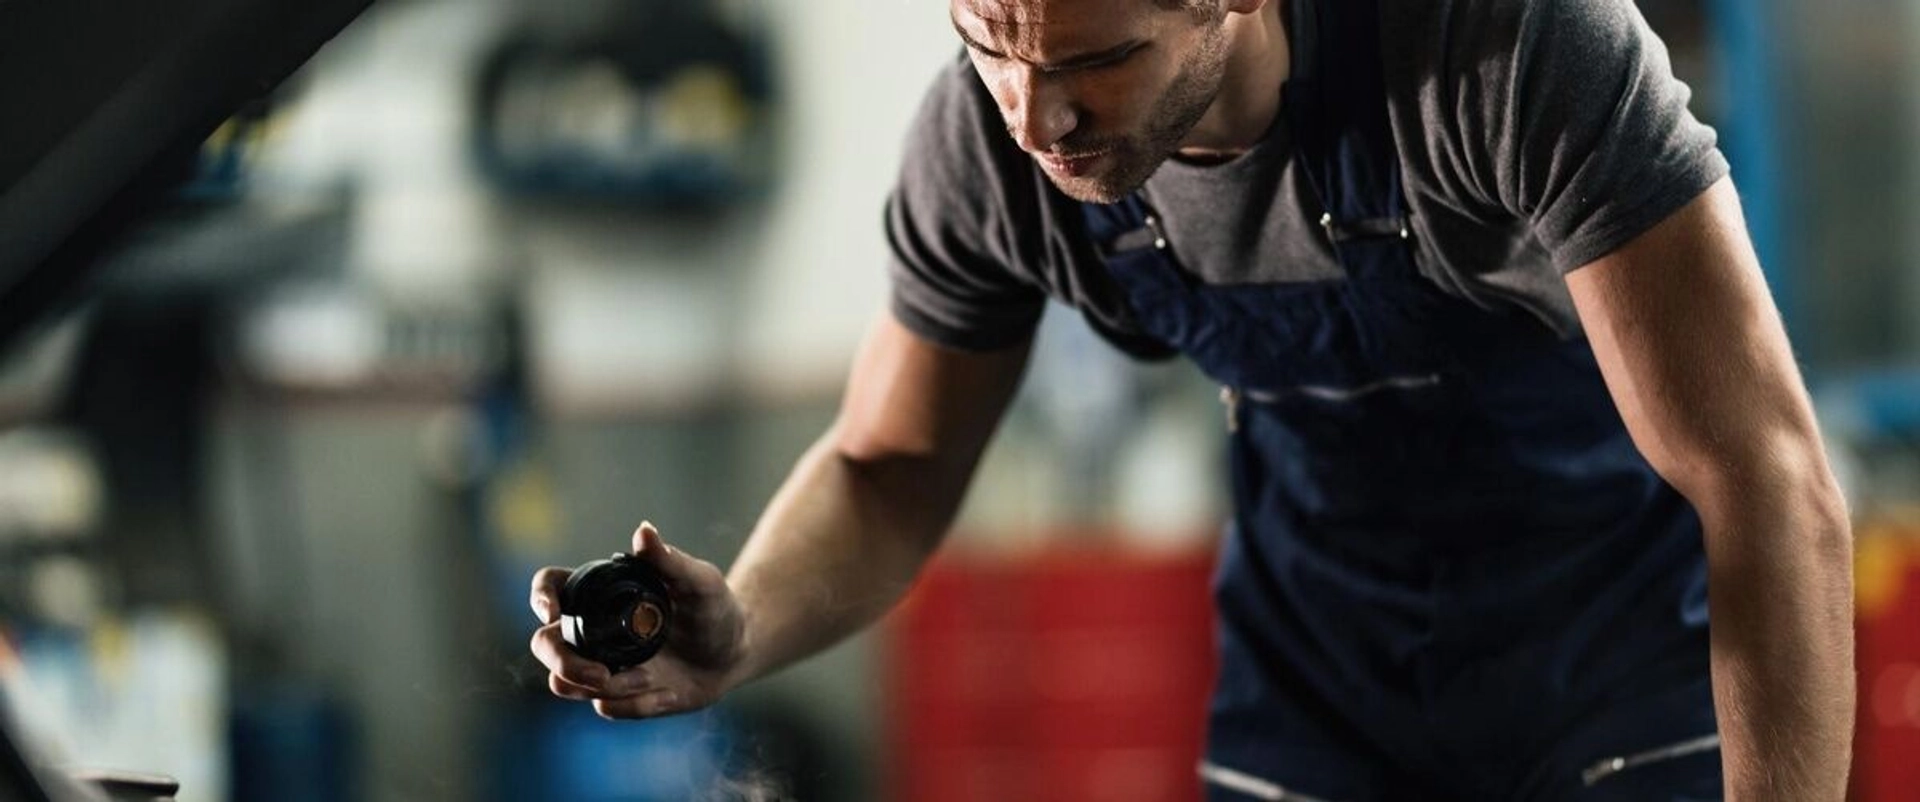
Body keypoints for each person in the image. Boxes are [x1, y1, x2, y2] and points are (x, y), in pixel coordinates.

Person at [528, 0, 1857, 797]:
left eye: (1097, 58)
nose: (1037, 118)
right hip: (1317, 698)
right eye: (989, 44)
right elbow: (890, 466)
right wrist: (743, 624)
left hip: (1617, 677)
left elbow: (1764, 478)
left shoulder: (1505, 51)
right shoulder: (987, 146)